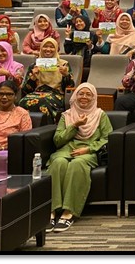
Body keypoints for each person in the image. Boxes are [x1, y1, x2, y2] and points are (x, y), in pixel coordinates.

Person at [46, 83, 113, 233]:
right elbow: (58, 140)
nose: (84, 97)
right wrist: (74, 125)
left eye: (88, 94)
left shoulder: (100, 115)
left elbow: (107, 138)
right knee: (58, 163)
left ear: (94, 97)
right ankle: (51, 210)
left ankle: (68, 211)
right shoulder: (66, 115)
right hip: (66, 150)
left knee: (77, 164)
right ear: (75, 96)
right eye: (81, 93)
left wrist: (88, 149)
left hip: (88, 152)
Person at [19, 38, 75, 124]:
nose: (48, 49)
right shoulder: (34, 66)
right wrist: (33, 78)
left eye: (52, 47)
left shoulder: (63, 64)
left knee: (43, 101)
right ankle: (24, 127)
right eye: (45, 46)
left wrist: (65, 75)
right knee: (23, 101)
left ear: (56, 49)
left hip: (56, 94)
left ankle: (47, 129)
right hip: (36, 93)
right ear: (41, 48)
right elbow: (25, 90)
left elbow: (70, 87)